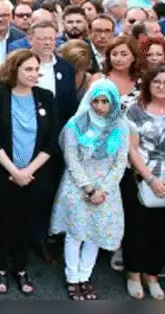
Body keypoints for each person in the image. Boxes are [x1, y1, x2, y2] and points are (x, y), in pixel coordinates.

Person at [0, 49, 56, 296]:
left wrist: (28, 172)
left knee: (25, 223)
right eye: (29, 69)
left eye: (36, 69)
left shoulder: (46, 97)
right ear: (15, 70)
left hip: (33, 176)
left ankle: (21, 268)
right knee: (1, 221)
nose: (35, 74)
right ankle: (0, 267)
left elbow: (51, 141)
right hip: (2, 173)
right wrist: (14, 170)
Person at [49, 79, 129, 301]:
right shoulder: (76, 123)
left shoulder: (120, 125)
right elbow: (71, 157)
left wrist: (103, 189)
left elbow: (121, 160)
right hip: (78, 184)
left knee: (95, 233)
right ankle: (72, 277)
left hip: (107, 187)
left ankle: (85, 276)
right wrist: (88, 187)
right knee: (75, 233)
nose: (100, 106)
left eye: (106, 101)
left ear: (114, 103)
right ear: (89, 100)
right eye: (96, 101)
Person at [122, 66, 165, 300]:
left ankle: (152, 274)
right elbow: (132, 148)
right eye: (156, 81)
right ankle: (134, 273)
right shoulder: (135, 111)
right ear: (147, 84)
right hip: (139, 177)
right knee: (137, 229)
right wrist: (150, 178)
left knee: (161, 231)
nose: (160, 86)